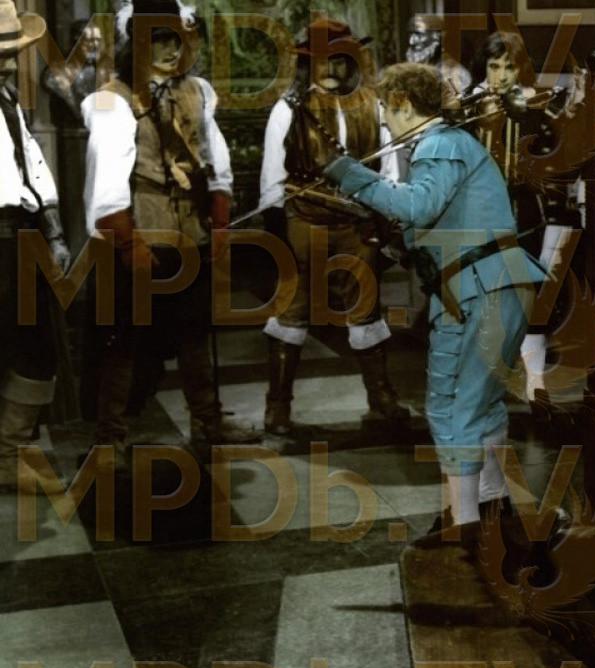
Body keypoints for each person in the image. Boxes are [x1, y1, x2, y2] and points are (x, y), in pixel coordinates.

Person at [318, 63, 546, 542]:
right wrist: (396, 240)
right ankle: (490, 506)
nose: (385, 120)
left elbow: (419, 205)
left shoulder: (438, 143)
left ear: (404, 104)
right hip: (500, 284)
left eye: (387, 108)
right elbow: (437, 221)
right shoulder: (455, 143)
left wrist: (352, 175)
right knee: (481, 403)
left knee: (450, 408)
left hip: (478, 290)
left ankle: (464, 529)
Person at [81, 0, 258, 455]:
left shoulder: (197, 91)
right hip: (142, 231)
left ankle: (207, 421)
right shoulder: (113, 101)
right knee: (126, 339)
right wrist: (127, 244)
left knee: (195, 332)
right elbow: (106, 179)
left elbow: (215, 158)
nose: (169, 49)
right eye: (157, 40)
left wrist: (219, 222)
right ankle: (111, 438)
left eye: (174, 39)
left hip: (190, 231)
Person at [257, 17, 408, 436]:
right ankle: (277, 407)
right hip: (305, 221)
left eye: (339, 60)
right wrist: (280, 227)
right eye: (322, 60)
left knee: (366, 307)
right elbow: (272, 176)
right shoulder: (289, 109)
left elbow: (389, 167)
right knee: (293, 309)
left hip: (358, 223)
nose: (331, 68)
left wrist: (388, 211)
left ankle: (381, 397)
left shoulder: (372, 105)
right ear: (308, 63)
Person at [464, 31, 581, 401]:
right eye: (494, 66)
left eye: (509, 67)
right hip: (475, 218)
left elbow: (557, 166)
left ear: (520, 70)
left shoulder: (537, 111)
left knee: (529, 296)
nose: (500, 75)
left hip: (525, 213)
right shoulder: (466, 110)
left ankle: (535, 381)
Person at [0, 0, 72, 490]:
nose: (9, 63)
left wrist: (54, 231)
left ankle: (9, 451)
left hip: (21, 237)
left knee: (36, 346)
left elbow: (34, 166)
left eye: (12, 53)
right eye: (1, 54)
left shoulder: (8, 102)